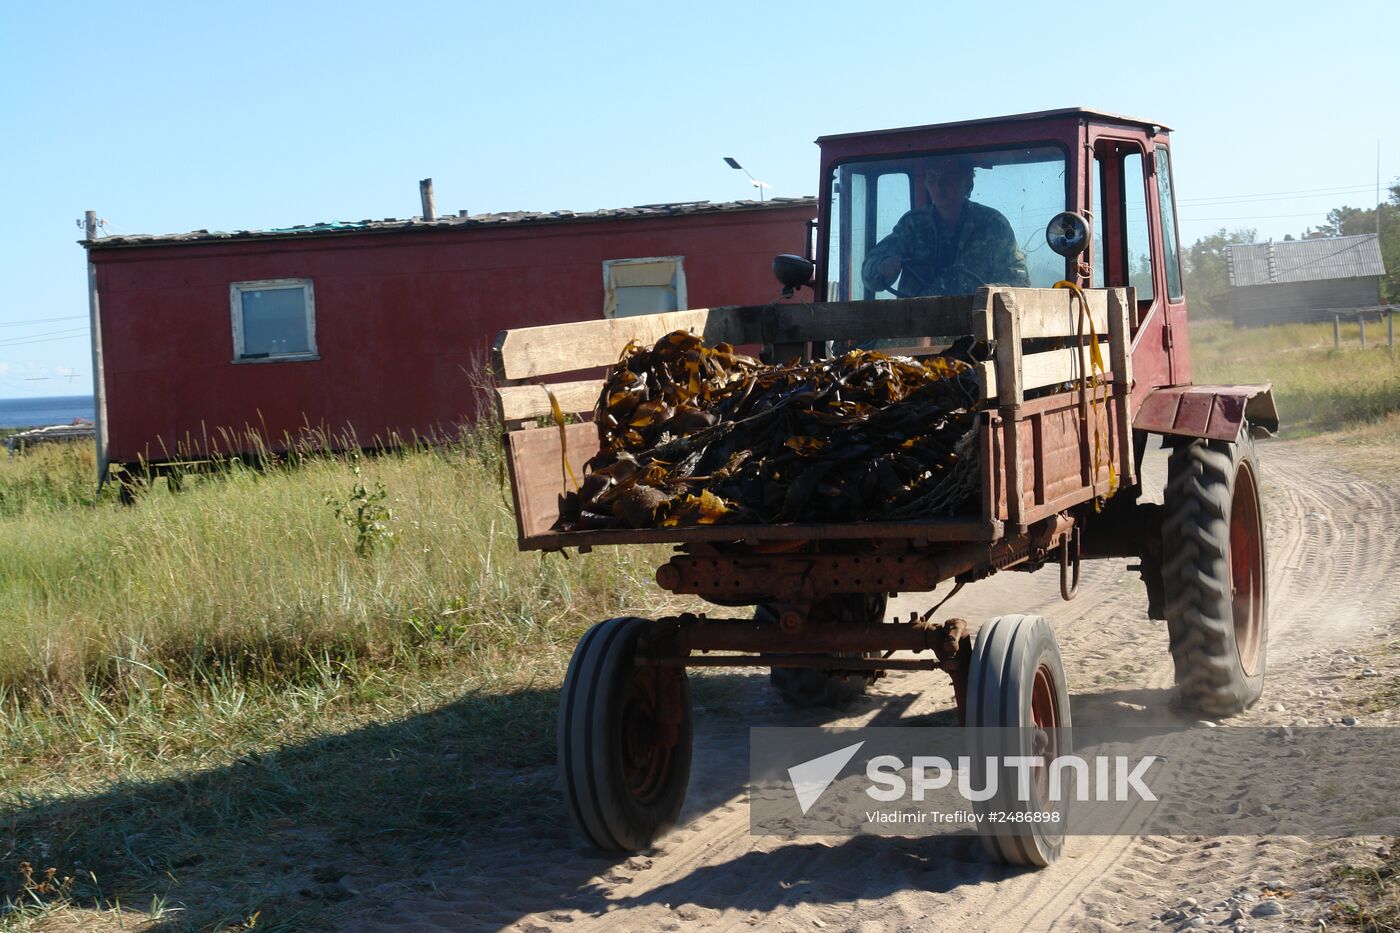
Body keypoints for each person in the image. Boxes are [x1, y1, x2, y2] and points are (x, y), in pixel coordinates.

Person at [861, 156, 1029, 298]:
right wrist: (883, 266)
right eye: (932, 178)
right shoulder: (912, 225)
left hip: (978, 329)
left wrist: (988, 294)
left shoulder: (993, 225)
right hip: (916, 328)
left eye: (948, 178)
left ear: (967, 179)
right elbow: (869, 274)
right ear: (925, 182)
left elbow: (1018, 282)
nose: (938, 186)